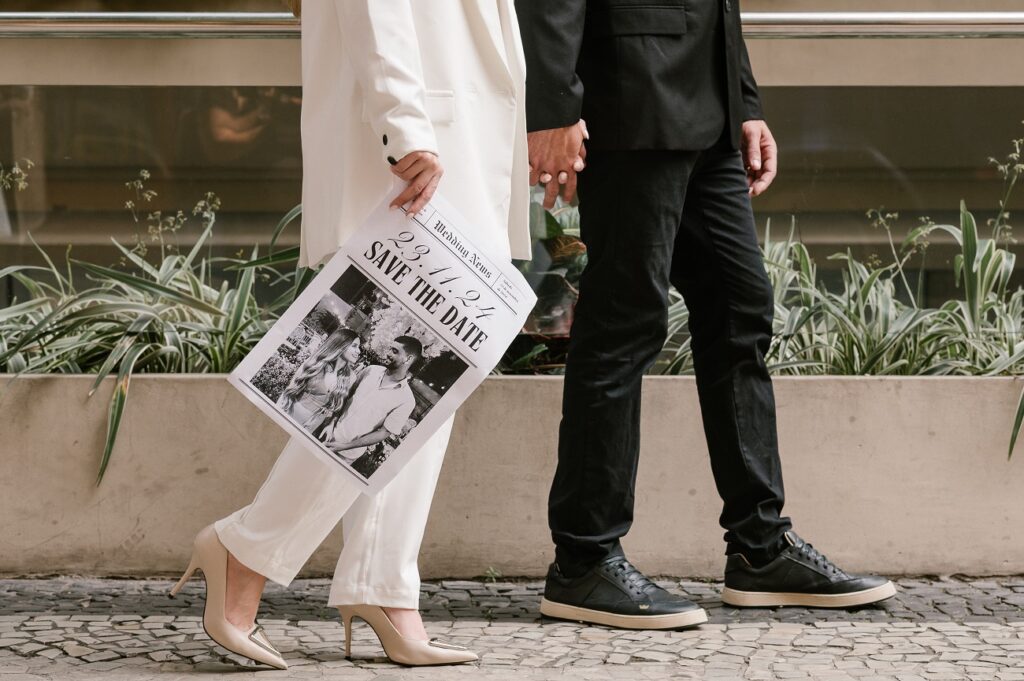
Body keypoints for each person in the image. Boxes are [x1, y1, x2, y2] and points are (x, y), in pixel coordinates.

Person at [169, 0, 532, 669]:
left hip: (459, 134)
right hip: (414, 139)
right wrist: (403, 124)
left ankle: (382, 583)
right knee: (413, 381)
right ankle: (247, 550)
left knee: (431, 389)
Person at [516, 0, 897, 630]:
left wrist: (742, 101)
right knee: (624, 323)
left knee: (740, 310)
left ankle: (759, 547)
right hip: (631, 98)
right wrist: (553, 106)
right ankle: (583, 560)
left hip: (709, 109)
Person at [320, 336, 422, 464]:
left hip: (347, 454)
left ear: (408, 359)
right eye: (390, 349)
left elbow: (384, 432)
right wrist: (331, 422)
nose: (388, 353)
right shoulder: (371, 370)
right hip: (326, 433)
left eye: (395, 351)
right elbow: (346, 396)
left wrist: (345, 446)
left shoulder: (407, 400)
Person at [276, 328, 361, 432]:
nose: (359, 351)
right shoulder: (317, 362)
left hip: (310, 427)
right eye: (354, 346)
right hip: (289, 414)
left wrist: (330, 424)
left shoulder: (350, 377)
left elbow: (337, 409)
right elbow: (291, 388)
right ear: (341, 345)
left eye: (358, 347)